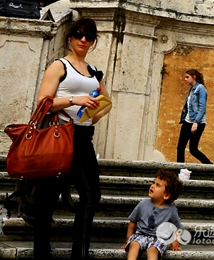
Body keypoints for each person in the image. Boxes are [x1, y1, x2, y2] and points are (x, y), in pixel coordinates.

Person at [32, 17, 111, 259]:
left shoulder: (94, 72)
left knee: (91, 196)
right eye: (78, 34)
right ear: (70, 37)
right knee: (48, 197)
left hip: (83, 136)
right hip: (60, 134)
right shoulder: (60, 66)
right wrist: (73, 100)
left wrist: (92, 116)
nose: (83, 40)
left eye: (89, 36)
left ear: (93, 41)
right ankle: (42, 253)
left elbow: (107, 102)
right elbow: (43, 102)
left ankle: (80, 252)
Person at [121, 170, 183, 259]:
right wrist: (128, 240)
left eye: (158, 185)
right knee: (134, 244)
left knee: (152, 250)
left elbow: (177, 228)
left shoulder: (171, 210)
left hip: (159, 238)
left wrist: (175, 242)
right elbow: (132, 221)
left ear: (166, 195)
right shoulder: (143, 204)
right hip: (141, 235)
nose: (152, 186)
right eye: (153, 182)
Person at [176, 69, 212, 164]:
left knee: (193, 149)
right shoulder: (191, 90)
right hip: (187, 121)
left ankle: (210, 167)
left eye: (187, 77)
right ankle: (180, 170)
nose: (185, 79)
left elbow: (202, 108)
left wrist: (196, 122)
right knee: (180, 147)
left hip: (198, 123)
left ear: (194, 77)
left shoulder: (201, 89)